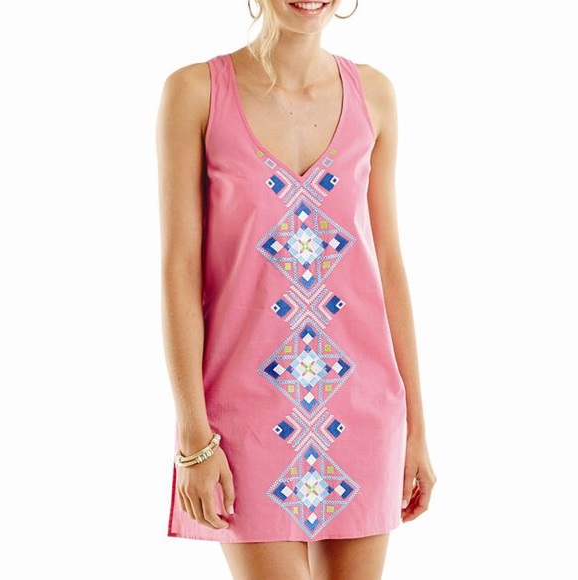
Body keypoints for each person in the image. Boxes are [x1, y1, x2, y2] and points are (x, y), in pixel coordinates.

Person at [156, 1, 436, 577]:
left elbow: (388, 265)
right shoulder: (195, 93)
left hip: (364, 408)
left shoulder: (375, 96)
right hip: (241, 417)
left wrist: (417, 429)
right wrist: (193, 437)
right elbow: (179, 269)